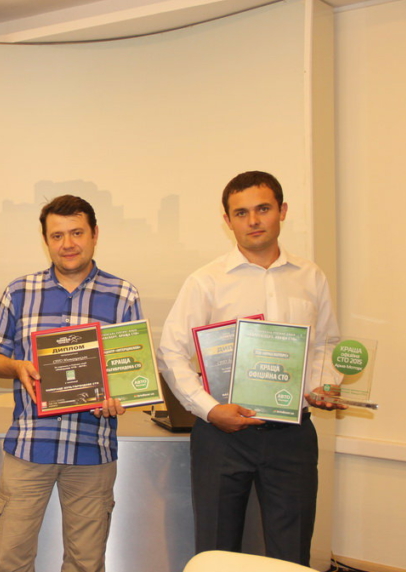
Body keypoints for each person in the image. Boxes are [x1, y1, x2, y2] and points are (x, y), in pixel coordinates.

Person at [157, 170, 345, 566]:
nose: (253, 220)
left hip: (292, 434)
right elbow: (171, 352)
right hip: (221, 435)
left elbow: (327, 345)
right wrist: (210, 409)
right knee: (216, 551)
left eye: (263, 209)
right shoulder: (206, 281)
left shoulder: (311, 277)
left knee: (291, 553)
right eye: (241, 213)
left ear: (282, 211)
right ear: (228, 221)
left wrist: (322, 384)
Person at [0, 195, 142, 572]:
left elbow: (132, 371)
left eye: (77, 233)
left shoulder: (123, 295)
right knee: (10, 561)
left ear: (95, 234)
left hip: (92, 449)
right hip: (30, 446)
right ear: (46, 240)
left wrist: (120, 397)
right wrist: (16, 367)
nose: (67, 243)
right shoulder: (20, 291)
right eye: (57, 236)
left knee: (86, 564)